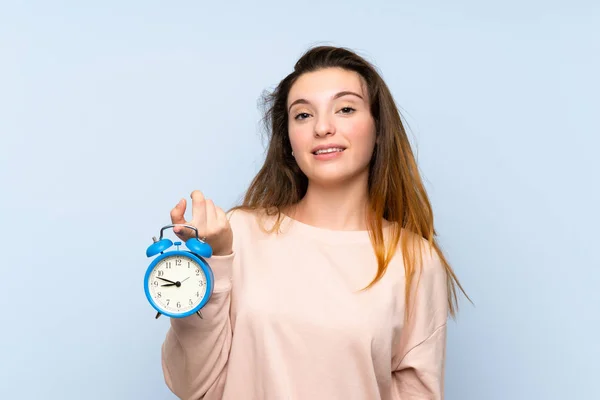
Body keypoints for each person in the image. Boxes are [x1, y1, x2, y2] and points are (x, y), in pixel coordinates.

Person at [160, 45, 468, 400]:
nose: (323, 127)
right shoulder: (238, 235)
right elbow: (193, 386)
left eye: (346, 109)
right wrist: (209, 266)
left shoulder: (415, 259)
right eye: (303, 115)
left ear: (379, 129)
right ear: (288, 140)